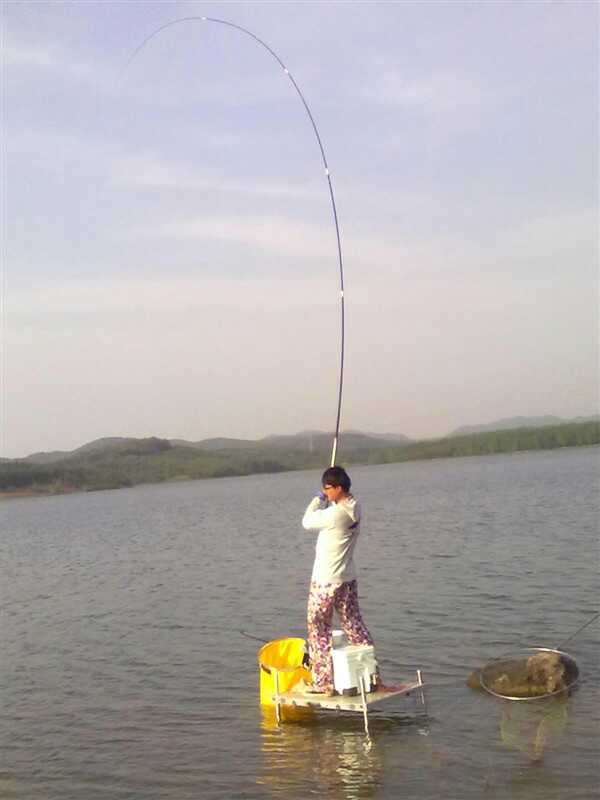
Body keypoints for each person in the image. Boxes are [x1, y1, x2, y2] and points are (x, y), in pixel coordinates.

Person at [301, 466, 375, 695]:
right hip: (347, 578)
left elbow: (306, 522)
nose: (325, 492)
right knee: (354, 625)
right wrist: (329, 500)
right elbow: (335, 508)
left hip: (326, 579)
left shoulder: (334, 515)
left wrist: (317, 500)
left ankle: (323, 683)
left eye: (327, 488)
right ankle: (371, 677)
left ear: (339, 488)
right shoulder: (355, 506)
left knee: (318, 628)